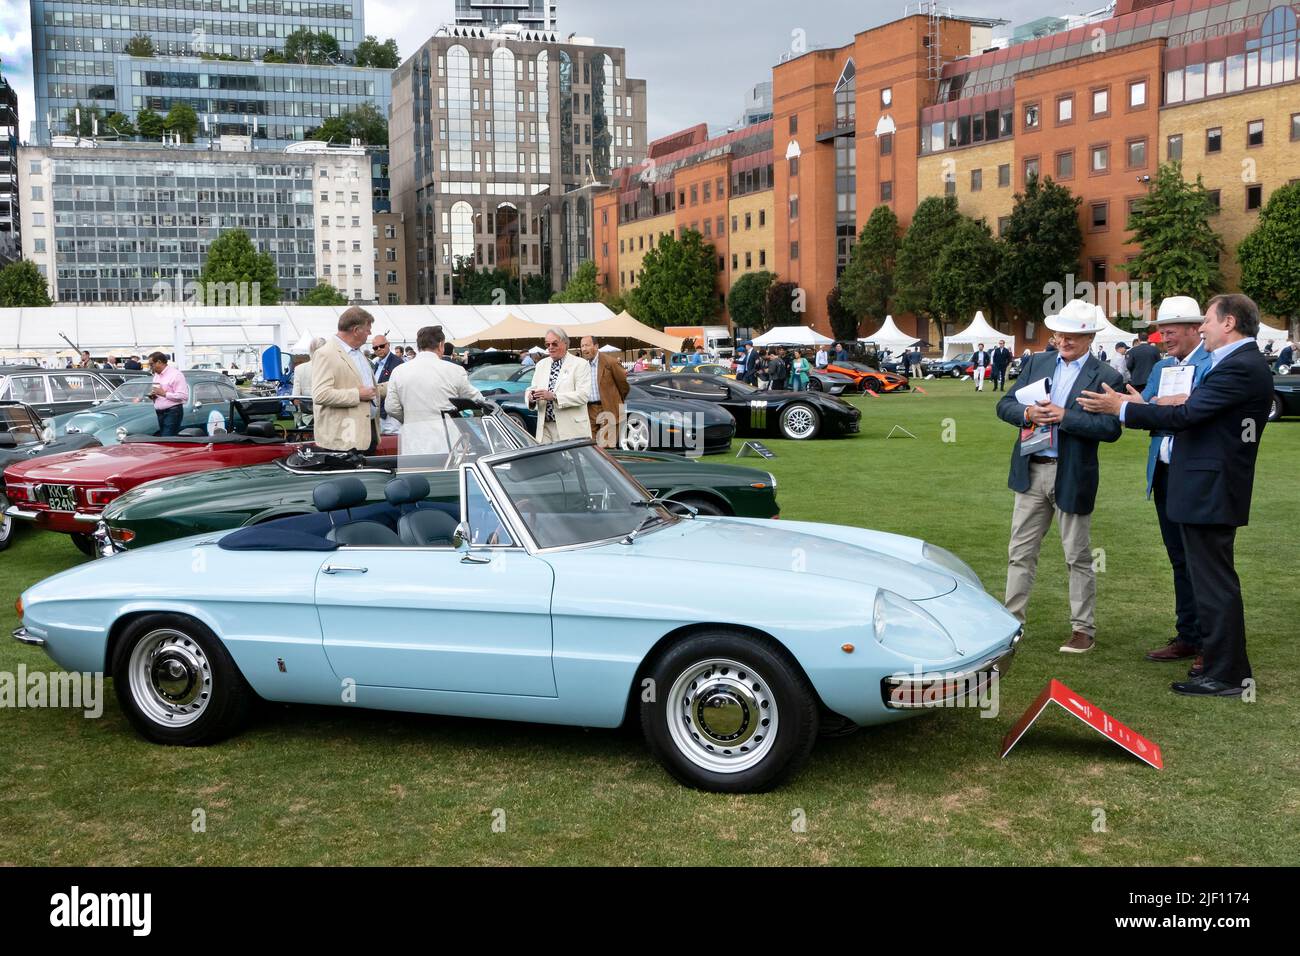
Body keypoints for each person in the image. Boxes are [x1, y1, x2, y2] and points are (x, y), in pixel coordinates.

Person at [1079, 293, 1273, 697]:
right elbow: (1193, 409)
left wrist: (1123, 408)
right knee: (1210, 581)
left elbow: (1188, 415)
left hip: (1211, 489)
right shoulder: (1238, 363)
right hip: (1206, 487)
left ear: (1230, 323)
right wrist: (1155, 403)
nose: (1202, 328)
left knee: (1215, 584)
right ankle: (1222, 668)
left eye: (1208, 321)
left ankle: (1227, 675)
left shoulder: (1238, 365)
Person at [995, 300, 1124, 654]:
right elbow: (1004, 405)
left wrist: (1064, 416)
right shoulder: (1036, 362)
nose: (1064, 340)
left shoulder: (1107, 376)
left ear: (1089, 336)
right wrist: (1028, 412)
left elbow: (1111, 429)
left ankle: (1083, 630)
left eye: (1073, 335)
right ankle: (1011, 623)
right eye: (1060, 334)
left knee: (1077, 556)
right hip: (1031, 470)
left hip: (1072, 475)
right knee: (1019, 552)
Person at [1134, 297, 1215, 673]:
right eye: (1161, 331)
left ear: (1193, 329)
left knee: (1203, 563)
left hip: (1195, 474)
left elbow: (1192, 412)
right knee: (1179, 558)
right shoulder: (1163, 366)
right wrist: (1147, 405)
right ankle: (1189, 635)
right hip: (1164, 473)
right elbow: (1145, 408)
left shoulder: (1211, 362)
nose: (1163, 337)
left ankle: (1212, 644)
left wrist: (1155, 407)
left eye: (1170, 331)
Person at [385, 325, 484, 455]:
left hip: (413, 442)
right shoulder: (454, 370)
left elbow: (391, 407)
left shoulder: (399, 371)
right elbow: (478, 400)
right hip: (447, 443)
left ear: (419, 346)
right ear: (441, 345)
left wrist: (411, 419)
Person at [312, 307, 383, 453]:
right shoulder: (325, 354)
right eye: (368, 329)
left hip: (366, 434)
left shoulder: (358, 353)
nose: (370, 333)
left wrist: (395, 385)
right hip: (343, 440)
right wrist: (357, 395)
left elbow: (368, 390)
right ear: (356, 330)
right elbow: (320, 394)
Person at [526, 328, 592, 443]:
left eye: (554, 343)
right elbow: (532, 389)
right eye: (547, 344)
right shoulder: (541, 365)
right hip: (544, 428)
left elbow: (583, 395)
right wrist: (531, 397)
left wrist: (554, 396)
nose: (550, 347)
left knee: (571, 461)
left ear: (565, 343)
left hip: (571, 429)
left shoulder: (580, 364)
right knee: (546, 460)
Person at [579, 335, 630, 448]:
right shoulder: (582, 365)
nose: (584, 349)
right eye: (582, 346)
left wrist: (615, 401)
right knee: (591, 448)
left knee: (607, 448)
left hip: (608, 409)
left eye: (587, 345)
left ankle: (611, 465)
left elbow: (624, 386)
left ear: (596, 346)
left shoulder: (610, 362)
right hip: (590, 410)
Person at [147, 352, 189, 437]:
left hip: (172, 411)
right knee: (163, 437)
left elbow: (183, 396)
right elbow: (157, 391)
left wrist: (164, 394)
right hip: (159, 412)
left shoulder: (176, 375)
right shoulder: (156, 375)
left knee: (167, 438)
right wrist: (153, 395)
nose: (150, 367)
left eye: (151, 364)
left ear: (159, 362)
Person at [292, 337, 328, 428]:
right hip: (327, 416)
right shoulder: (331, 368)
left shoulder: (299, 369)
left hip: (307, 418)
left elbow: (295, 398)